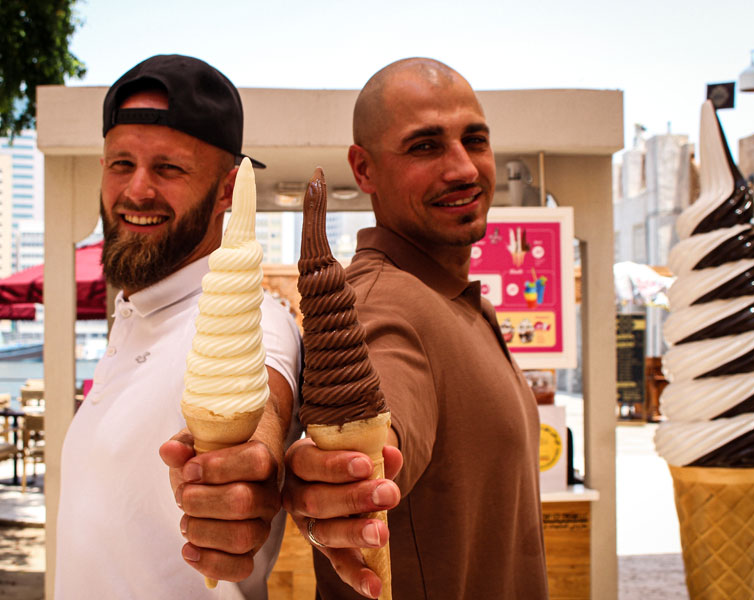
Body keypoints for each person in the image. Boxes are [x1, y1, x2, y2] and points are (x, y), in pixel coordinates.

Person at [283, 58, 548, 599]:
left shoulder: (456, 300)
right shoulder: (382, 304)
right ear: (364, 169)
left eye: (474, 140)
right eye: (425, 146)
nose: (464, 169)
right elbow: (378, 432)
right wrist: (342, 483)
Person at [55, 55, 302, 599]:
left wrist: (251, 471)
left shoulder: (251, 320)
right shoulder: (138, 312)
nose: (137, 190)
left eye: (168, 168)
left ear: (226, 191)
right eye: (121, 164)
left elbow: (264, 411)